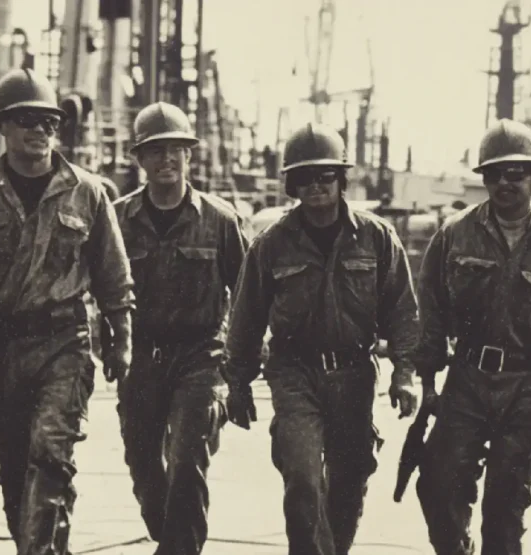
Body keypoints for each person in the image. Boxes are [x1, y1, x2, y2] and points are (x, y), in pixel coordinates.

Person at [0, 68, 134, 554]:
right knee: (16, 469)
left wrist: (121, 340)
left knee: (50, 452)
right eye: (26, 120)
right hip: (2, 347)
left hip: (64, 343)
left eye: (49, 122)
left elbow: (113, 274)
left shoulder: (86, 192)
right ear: (2, 125)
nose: (40, 130)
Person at [222, 122, 421, 555]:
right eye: (305, 177)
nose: (316, 185)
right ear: (292, 184)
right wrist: (237, 383)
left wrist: (404, 373)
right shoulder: (271, 245)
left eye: (325, 175)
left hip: (354, 373)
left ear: (341, 178)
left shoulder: (376, 237)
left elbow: (402, 311)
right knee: (302, 476)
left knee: (350, 479)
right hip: (295, 372)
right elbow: (246, 317)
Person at [413, 118, 531, 555]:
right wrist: (427, 386)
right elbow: (432, 314)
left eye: (516, 173)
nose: (504, 183)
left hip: (530, 385)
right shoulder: (455, 235)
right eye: (494, 174)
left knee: (505, 503)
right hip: (468, 379)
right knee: (438, 485)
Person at [112, 102, 248, 554]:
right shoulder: (117, 219)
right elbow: (98, 285)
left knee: (188, 461)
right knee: (143, 464)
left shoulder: (220, 219)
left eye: (176, 149)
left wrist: (240, 364)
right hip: (141, 355)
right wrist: (106, 342)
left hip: (200, 356)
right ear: (140, 158)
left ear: (190, 155)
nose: (166, 159)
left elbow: (248, 293)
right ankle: (169, 533)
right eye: (156, 150)